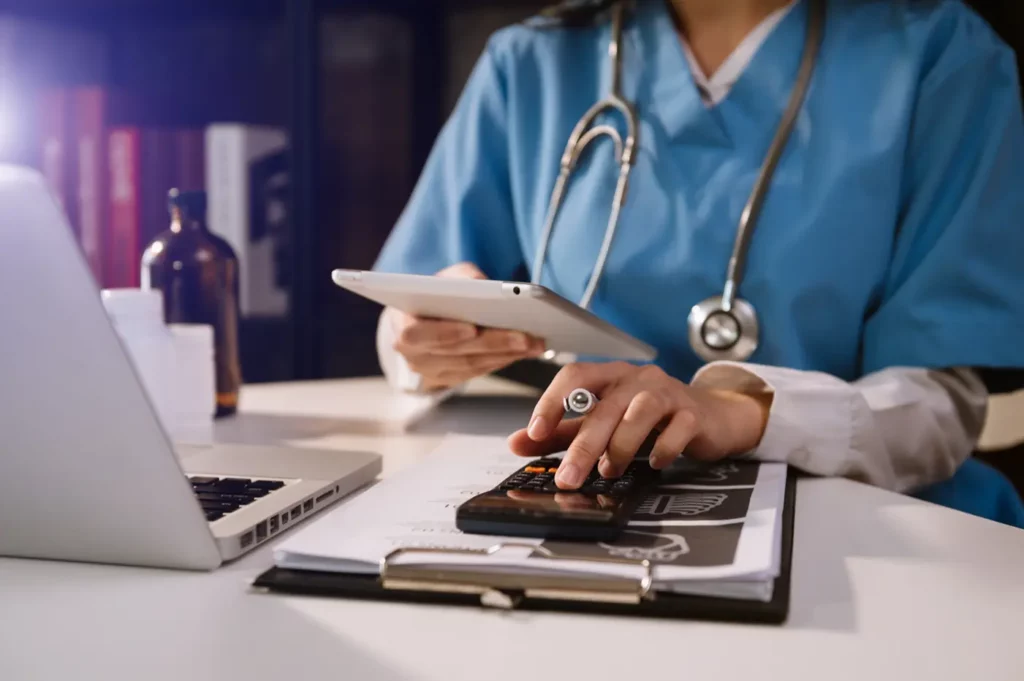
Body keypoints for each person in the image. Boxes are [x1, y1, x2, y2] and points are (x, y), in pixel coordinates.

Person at [371, 0, 1024, 527]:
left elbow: (942, 406)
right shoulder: (532, 63)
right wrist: (423, 342)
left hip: (870, 526)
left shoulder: (940, 56)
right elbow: (410, 312)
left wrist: (745, 411)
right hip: (578, 503)